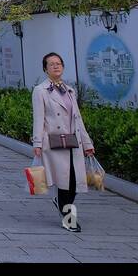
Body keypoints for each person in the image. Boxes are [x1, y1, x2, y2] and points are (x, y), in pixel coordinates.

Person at [33, 52, 96, 233]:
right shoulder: (40, 91)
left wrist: (87, 143)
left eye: (59, 63)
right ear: (45, 69)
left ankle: (60, 203)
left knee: (75, 182)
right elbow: (39, 118)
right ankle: (69, 219)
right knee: (64, 181)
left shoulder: (69, 90)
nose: (56, 66)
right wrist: (37, 143)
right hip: (54, 143)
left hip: (73, 141)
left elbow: (78, 118)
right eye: (51, 64)